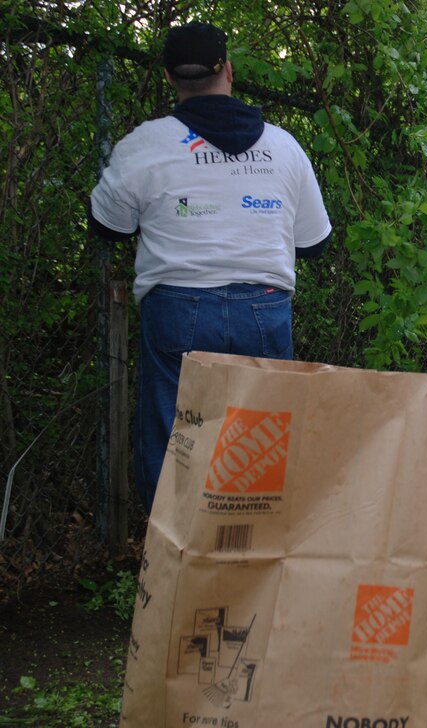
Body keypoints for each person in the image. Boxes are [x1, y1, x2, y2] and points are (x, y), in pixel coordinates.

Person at [90, 21, 332, 514]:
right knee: (259, 443)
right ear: (229, 71)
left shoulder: (146, 143)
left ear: (169, 78)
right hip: (264, 308)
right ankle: (247, 557)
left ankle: (172, 560)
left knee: (175, 439)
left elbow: (106, 225)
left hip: (178, 307)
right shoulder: (284, 147)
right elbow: (314, 243)